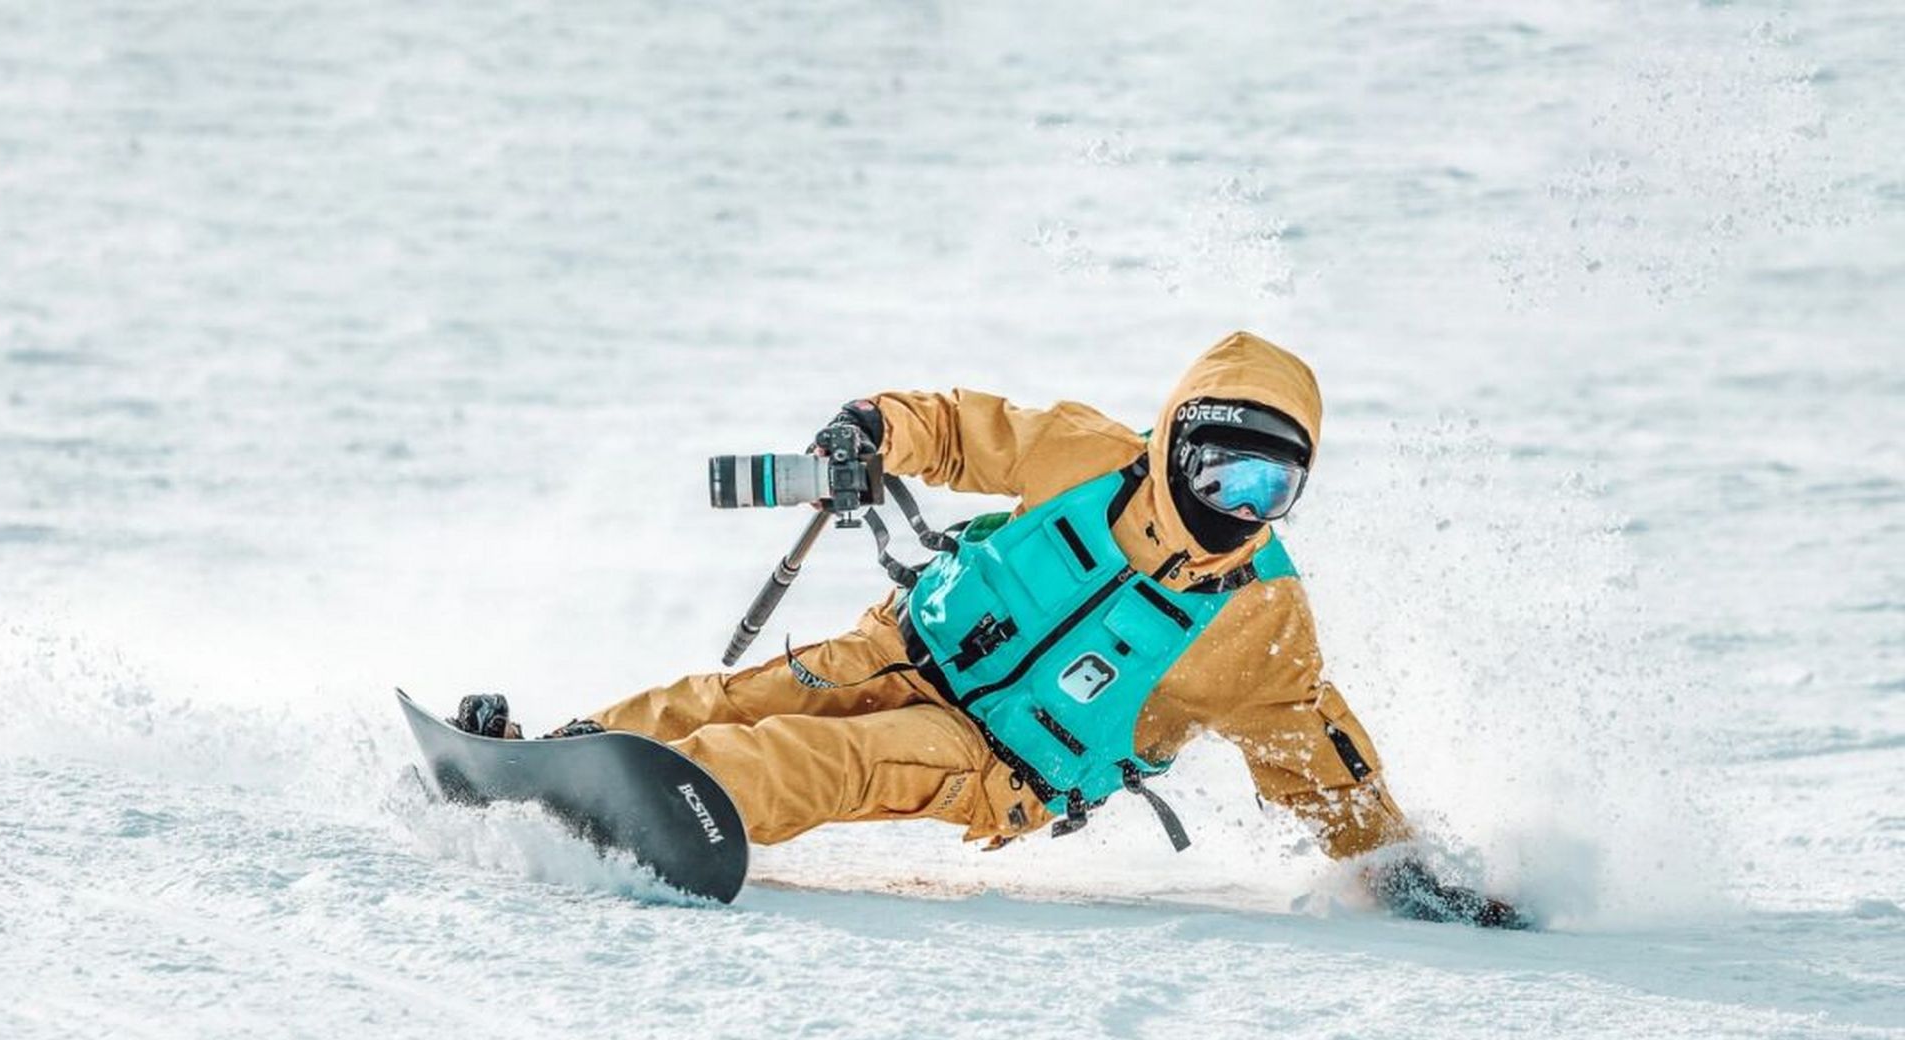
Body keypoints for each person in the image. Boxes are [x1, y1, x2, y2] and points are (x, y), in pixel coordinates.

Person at [456, 332, 1526, 927]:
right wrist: (877, 427)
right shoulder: (1088, 457)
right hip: (912, 640)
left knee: (832, 756)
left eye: (1267, 486)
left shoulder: (1259, 620)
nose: (1234, 504)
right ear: (1173, 444)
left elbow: (1316, 754)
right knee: (732, 698)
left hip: (998, 759)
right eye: (1217, 468)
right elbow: (970, 432)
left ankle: (690, 802)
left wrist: (1394, 862)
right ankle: (552, 755)